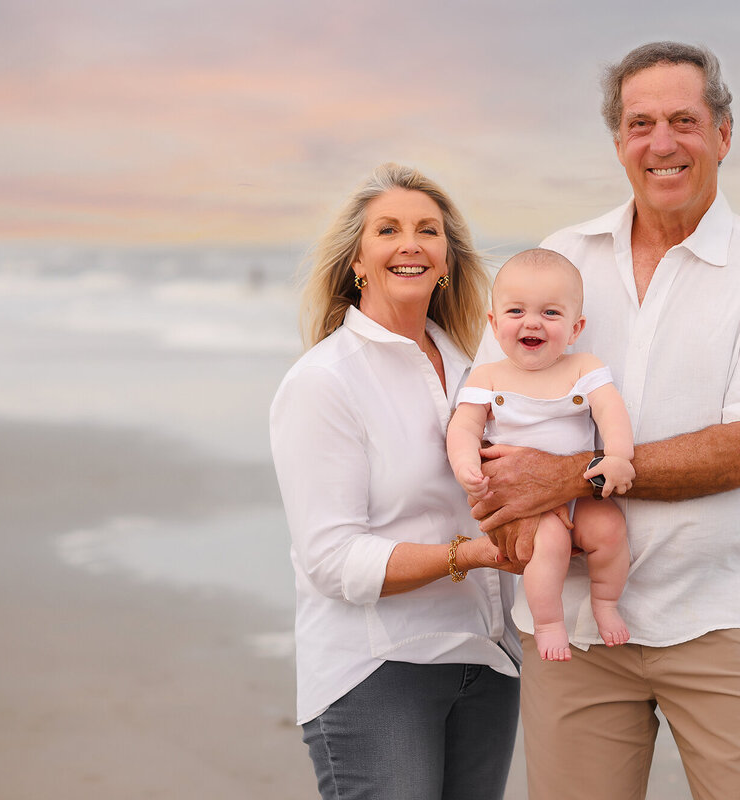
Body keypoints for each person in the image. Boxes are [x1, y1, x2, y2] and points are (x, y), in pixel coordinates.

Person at [469, 43, 740, 800]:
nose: (661, 143)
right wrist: (501, 509)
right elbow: (486, 405)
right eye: (640, 123)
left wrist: (566, 479)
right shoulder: (560, 259)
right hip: (571, 630)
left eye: (683, 121)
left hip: (718, 621)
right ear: (618, 142)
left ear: (723, 135)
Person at [269, 162, 522, 800]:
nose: (410, 243)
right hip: (378, 671)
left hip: (488, 666)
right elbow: (332, 560)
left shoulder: (483, 374)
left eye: (427, 230)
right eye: (388, 229)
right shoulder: (325, 382)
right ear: (357, 259)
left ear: (447, 260)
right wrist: (468, 556)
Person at [447, 248, 635, 662]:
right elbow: (463, 426)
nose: (532, 322)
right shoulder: (488, 376)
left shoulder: (583, 366)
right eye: (516, 311)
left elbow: (610, 410)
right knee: (547, 546)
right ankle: (549, 622)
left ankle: (606, 602)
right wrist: (465, 464)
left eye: (550, 313)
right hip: (529, 504)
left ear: (574, 328)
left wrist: (619, 456)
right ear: (495, 325)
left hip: (581, 492)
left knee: (610, 531)